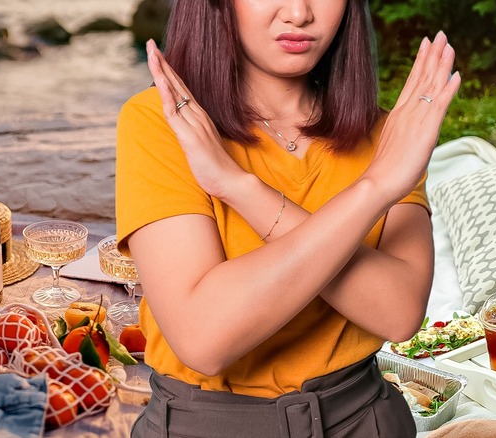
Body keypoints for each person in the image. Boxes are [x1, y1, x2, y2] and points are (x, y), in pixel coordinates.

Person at [116, 1, 459, 436]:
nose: (298, 13)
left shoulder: (389, 138)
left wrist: (240, 188)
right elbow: (204, 338)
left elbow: (398, 313)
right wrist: (372, 191)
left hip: (367, 419)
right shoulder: (166, 121)